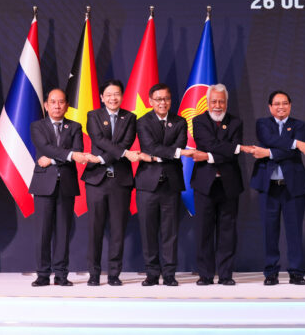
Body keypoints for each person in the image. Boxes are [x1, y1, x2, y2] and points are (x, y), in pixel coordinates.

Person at [136, 83, 207, 286]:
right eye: (158, 99)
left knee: (170, 232)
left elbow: (179, 144)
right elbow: (149, 146)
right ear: (151, 101)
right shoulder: (142, 121)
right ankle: (152, 273)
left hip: (171, 184)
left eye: (166, 99)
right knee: (148, 231)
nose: (163, 103)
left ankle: (169, 274)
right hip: (147, 184)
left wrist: (160, 155)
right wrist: (175, 153)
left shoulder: (180, 121)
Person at [249, 90, 305, 286]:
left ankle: (296, 272)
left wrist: (268, 153)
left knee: (294, 231)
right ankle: (271, 272)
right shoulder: (262, 124)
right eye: (277, 103)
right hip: (268, 186)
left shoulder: (300, 125)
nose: (281, 107)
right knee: (269, 231)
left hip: (293, 187)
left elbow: (293, 154)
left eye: (285, 103)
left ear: (290, 105)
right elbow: (270, 140)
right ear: (270, 107)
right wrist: (295, 143)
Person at [191, 84, 254, 286]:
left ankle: (226, 275)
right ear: (207, 102)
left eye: (221, 101)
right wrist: (234, 148)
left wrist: (209, 156)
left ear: (226, 102)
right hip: (205, 184)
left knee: (228, 232)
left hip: (229, 183)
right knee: (204, 231)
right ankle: (205, 275)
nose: (217, 105)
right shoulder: (198, 121)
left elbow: (226, 152)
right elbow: (209, 144)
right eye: (214, 101)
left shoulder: (236, 122)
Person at [29, 88, 93, 286]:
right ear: (46, 105)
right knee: (43, 232)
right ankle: (42, 275)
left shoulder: (74, 126)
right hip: (43, 185)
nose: (57, 106)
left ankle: (61, 275)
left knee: (63, 232)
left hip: (66, 184)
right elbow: (45, 148)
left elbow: (78, 151)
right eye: (53, 102)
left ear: (67, 105)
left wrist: (52, 160)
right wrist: (69, 155)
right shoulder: (37, 126)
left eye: (61, 102)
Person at [83, 79, 139, 286]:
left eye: (116, 94)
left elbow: (126, 142)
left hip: (120, 182)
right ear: (102, 97)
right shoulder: (93, 116)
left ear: (122, 96)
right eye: (108, 94)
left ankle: (114, 274)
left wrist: (101, 158)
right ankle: (94, 274)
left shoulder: (130, 118)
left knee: (118, 230)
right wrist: (121, 154)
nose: (112, 98)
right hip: (96, 181)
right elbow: (99, 140)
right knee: (95, 229)